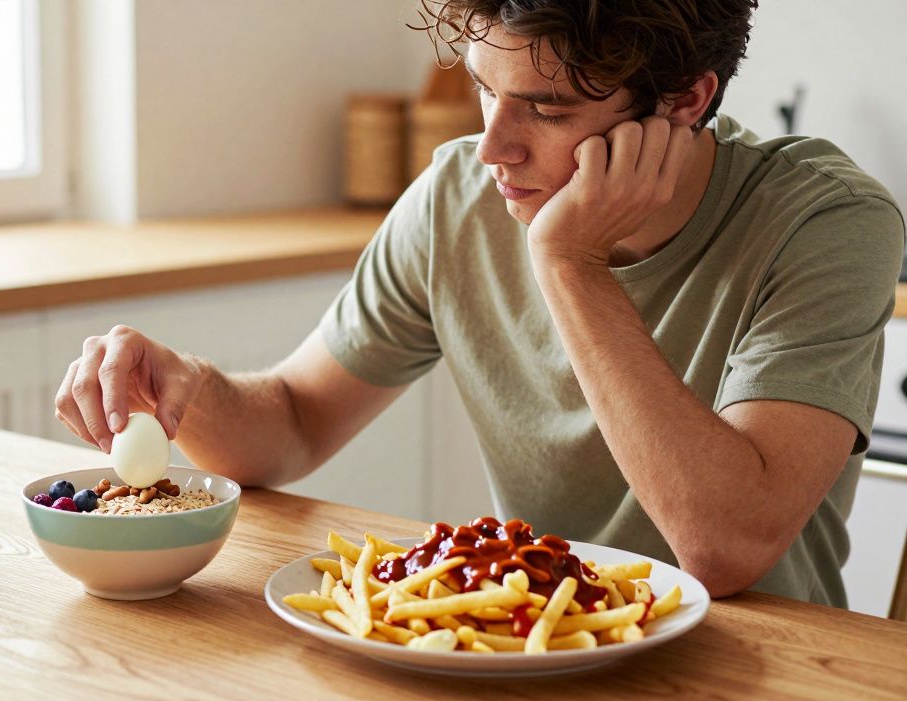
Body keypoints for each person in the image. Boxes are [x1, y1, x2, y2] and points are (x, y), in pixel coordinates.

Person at [55, 0, 905, 607]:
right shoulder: (459, 193)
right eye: (486, 89)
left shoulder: (827, 222)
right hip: (526, 661)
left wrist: (569, 264)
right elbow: (295, 423)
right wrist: (184, 386)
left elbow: (728, 547)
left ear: (686, 101)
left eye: (547, 107)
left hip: (762, 683)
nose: (494, 147)